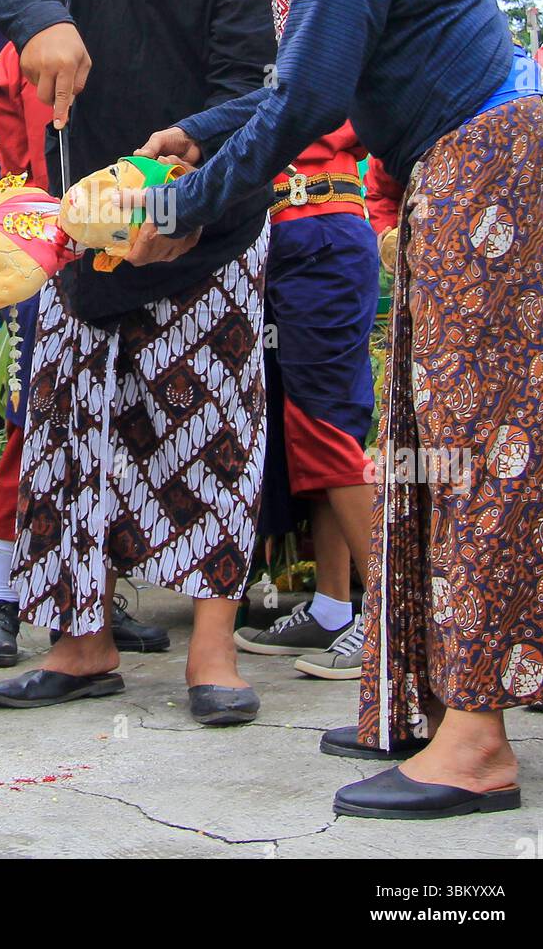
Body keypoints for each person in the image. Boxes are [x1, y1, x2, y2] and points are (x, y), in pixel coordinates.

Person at [132, 0, 543, 817]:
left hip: (488, 173)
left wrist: (181, 210)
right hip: (452, 177)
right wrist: (197, 134)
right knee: (422, 440)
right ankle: (417, 701)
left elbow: (312, 91)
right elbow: (297, 86)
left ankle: (475, 745)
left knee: (475, 452)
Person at [0, 0, 275, 725]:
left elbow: (250, 87)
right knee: (69, 435)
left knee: (211, 435)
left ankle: (210, 650)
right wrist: (42, 22)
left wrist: (177, 206)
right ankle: (79, 642)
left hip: (209, 220)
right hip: (85, 226)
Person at [0, 42, 169, 665]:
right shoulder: (22, 47)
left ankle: (94, 603)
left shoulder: (143, 9)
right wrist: (27, 238)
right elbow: (9, 158)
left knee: (123, 425)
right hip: (50, 252)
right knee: (32, 423)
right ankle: (0, 595)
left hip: (139, 246)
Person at [233, 124, 383, 683]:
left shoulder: (325, 34)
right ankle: (331, 608)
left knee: (327, 427)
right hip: (273, 231)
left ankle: (391, 619)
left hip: (319, 224)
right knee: (307, 427)